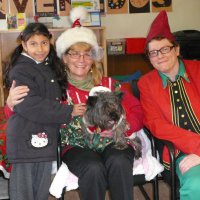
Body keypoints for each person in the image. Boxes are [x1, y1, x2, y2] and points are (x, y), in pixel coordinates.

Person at [5, 7, 144, 200]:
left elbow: (137, 109)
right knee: (92, 168)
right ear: (64, 58)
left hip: (115, 141)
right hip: (76, 146)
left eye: (87, 54)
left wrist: (124, 128)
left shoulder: (109, 84)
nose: (81, 59)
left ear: (94, 58)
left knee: (119, 160)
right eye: (74, 54)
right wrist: (10, 104)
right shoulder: (54, 88)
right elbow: (31, 112)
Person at [4, 22, 84, 200]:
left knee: (41, 190)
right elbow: (30, 104)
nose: (39, 49)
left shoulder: (47, 66)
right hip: (25, 139)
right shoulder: (21, 69)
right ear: (24, 44)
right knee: (23, 192)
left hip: (44, 137)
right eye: (33, 43)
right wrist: (68, 111)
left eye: (44, 43)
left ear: (50, 42)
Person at [138, 10, 200, 200]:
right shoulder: (146, 83)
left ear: (177, 49)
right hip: (180, 151)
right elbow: (156, 124)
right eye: (153, 52)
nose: (160, 56)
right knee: (197, 184)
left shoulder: (197, 70)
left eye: (165, 49)